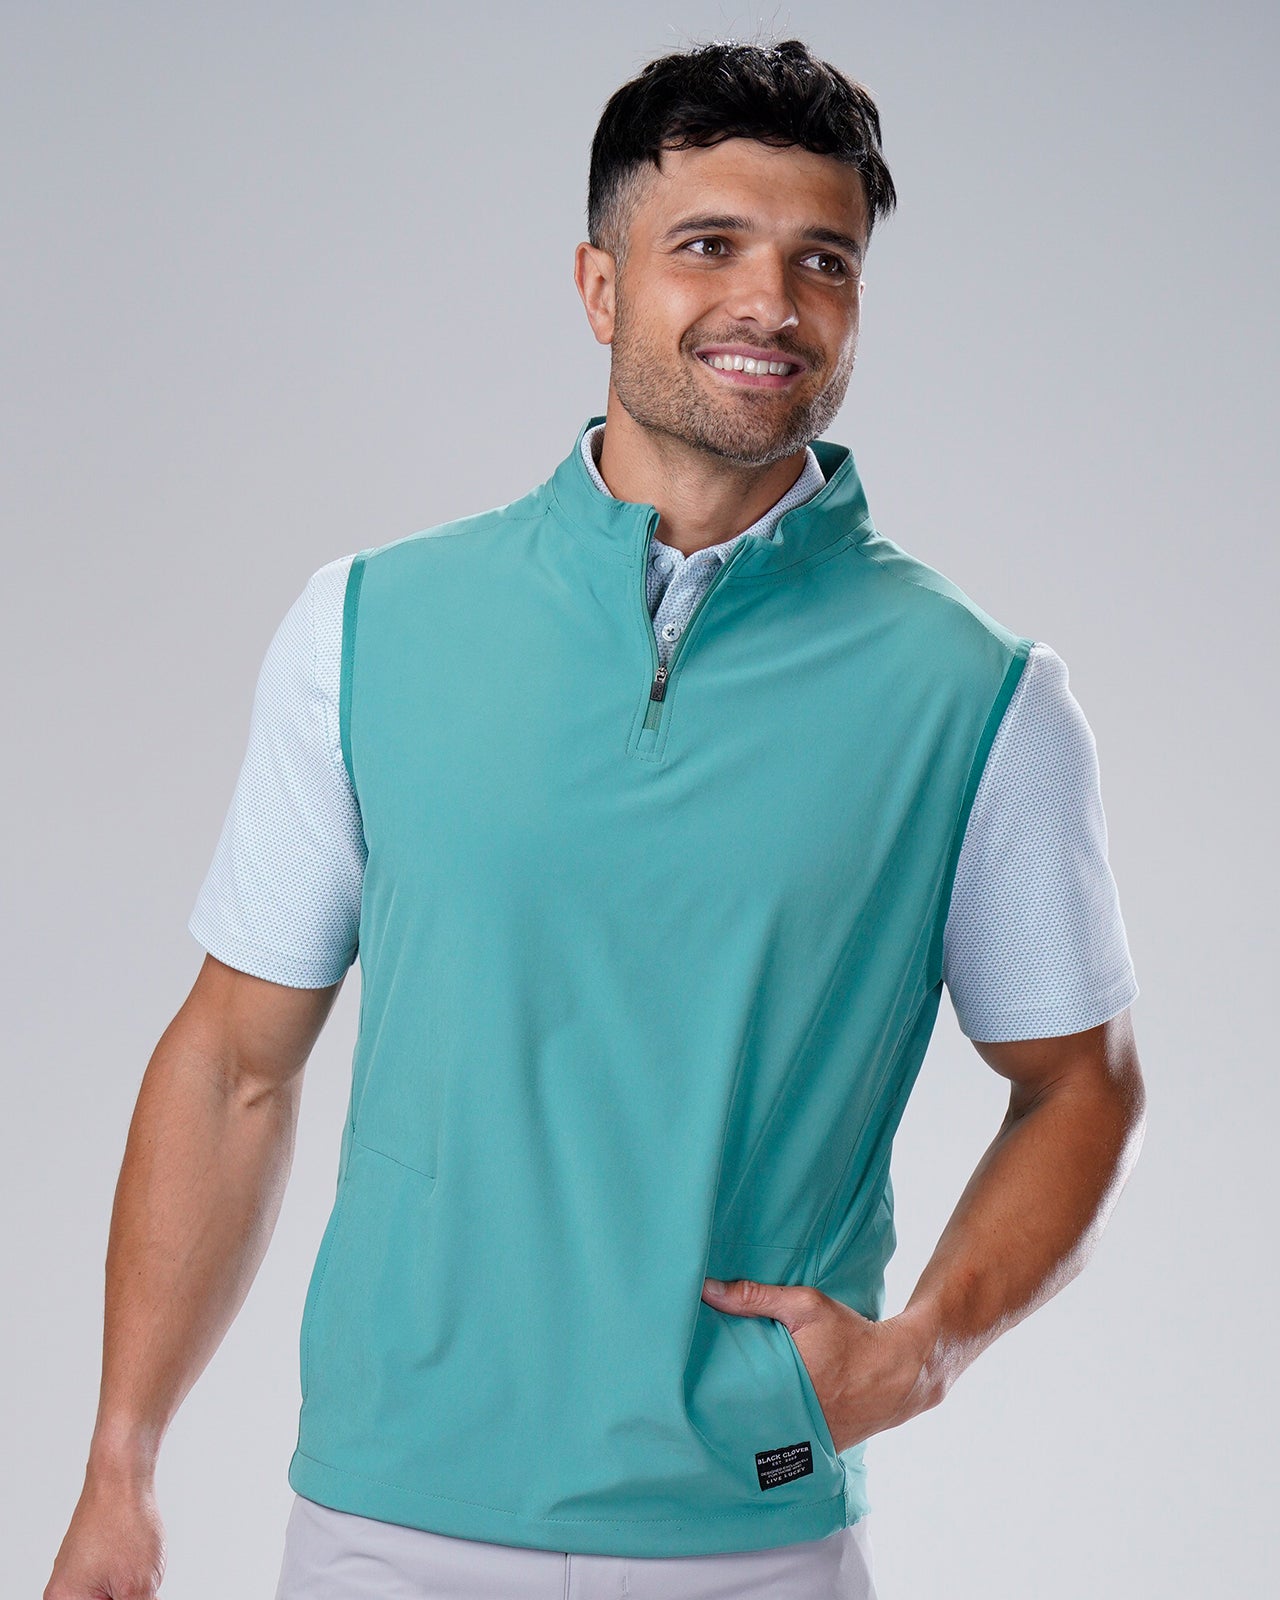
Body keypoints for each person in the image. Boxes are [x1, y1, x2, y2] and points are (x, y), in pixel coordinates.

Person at [44, 36, 1147, 1600]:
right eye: (710, 245)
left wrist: (922, 1353)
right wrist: (121, 1465)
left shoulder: (978, 696)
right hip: (387, 1522)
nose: (771, 303)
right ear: (598, 284)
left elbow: (1080, 1080)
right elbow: (234, 1063)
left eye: (821, 261)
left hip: (753, 1527)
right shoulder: (368, 628)